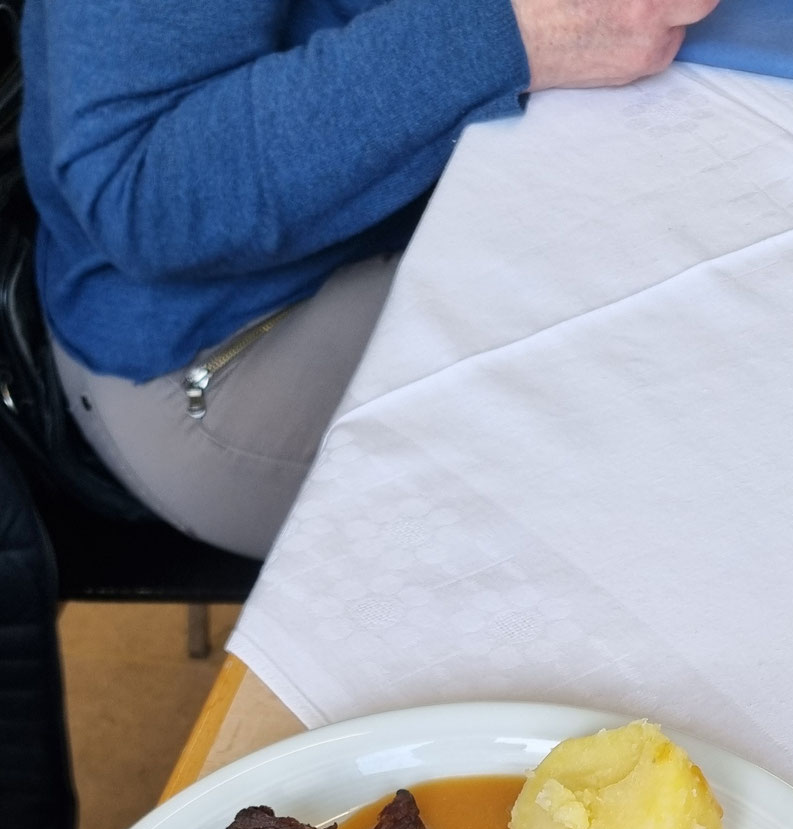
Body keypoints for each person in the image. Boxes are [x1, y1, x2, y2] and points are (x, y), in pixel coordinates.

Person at [19, 0, 717, 560]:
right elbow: (147, 189)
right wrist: (513, 34)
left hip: (446, 199)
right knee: (683, 442)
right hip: (231, 339)